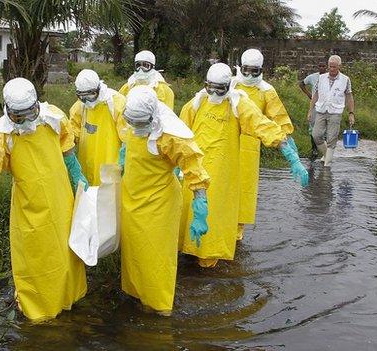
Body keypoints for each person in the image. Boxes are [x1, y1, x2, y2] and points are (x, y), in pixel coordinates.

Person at [0, 78, 89, 321]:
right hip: (29, 206)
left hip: (62, 200)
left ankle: (70, 299)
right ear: (7, 110)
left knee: (67, 254)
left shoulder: (54, 118)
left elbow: (67, 148)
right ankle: (39, 312)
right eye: (19, 117)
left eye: (30, 113)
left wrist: (78, 176)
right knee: (36, 262)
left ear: (37, 106)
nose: (26, 121)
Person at [178, 63, 308, 268]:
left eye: (219, 89)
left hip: (222, 171)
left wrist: (291, 156)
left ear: (228, 86)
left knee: (216, 213)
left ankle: (208, 259)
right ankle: (186, 251)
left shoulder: (239, 105)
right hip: (194, 168)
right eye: (209, 87)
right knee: (187, 211)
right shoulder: (196, 103)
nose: (213, 93)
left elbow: (264, 126)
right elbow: (178, 131)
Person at [118, 86, 210, 315]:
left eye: (141, 124)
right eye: (133, 122)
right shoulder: (133, 120)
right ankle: (137, 295)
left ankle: (160, 307)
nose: (136, 128)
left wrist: (200, 208)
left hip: (159, 205)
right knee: (134, 253)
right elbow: (129, 141)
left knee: (157, 258)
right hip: (132, 200)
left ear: (152, 117)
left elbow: (194, 169)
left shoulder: (170, 136)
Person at [233, 48, 304, 241]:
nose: (249, 75)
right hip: (227, 143)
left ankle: (237, 235)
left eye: (254, 71)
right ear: (240, 67)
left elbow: (279, 118)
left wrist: (290, 151)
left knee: (244, 191)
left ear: (261, 70)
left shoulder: (266, 91)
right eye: (246, 70)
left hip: (250, 148)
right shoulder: (230, 86)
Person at [69, 69, 127, 185]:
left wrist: (123, 161)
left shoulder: (117, 103)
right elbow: (72, 132)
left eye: (90, 96)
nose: (87, 101)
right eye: (82, 97)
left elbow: (128, 138)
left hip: (110, 165)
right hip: (86, 163)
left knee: (108, 198)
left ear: (98, 89)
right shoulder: (80, 106)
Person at [308, 55, 356, 167]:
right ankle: (326, 155)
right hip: (321, 110)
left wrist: (351, 113)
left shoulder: (345, 79)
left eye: (334, 67)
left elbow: (349, 97)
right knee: (316, 135)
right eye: (330, 66)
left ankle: (327, 165)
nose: (332, 69)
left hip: (335, 112)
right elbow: (315, 95)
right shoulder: (321, 78)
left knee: (331, 138)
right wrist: (310, 111)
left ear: (339, 66)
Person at [299, 61, 328, 159]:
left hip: (327, 106)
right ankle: (314, 149)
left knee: (325, 128)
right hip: (315, 106)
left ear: (326, 67)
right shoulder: (313, 77)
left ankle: (325, 151)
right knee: (313, 127)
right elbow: (301, 84)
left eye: (323, 66)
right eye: (320, 66)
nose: (321, 68)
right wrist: (308, 94)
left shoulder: (330, 77)